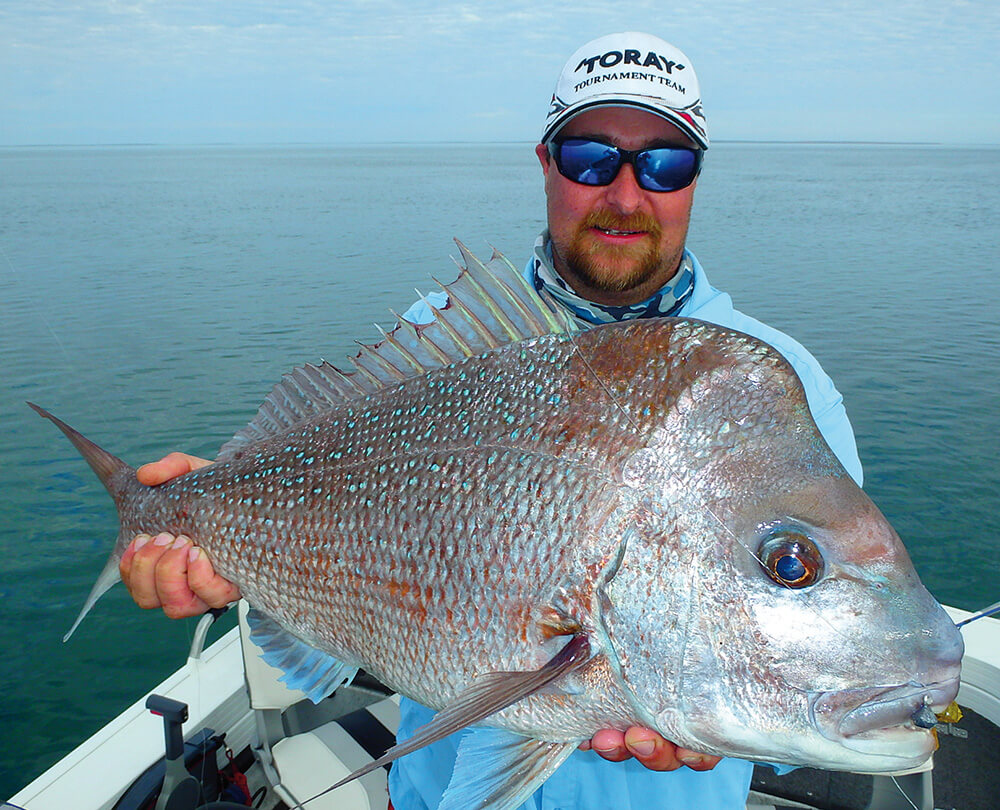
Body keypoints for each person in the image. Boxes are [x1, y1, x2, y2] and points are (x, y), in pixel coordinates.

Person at [121, 32, 862, 810]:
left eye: (665, 163)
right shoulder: (443, 344)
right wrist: (218, 520)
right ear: (546, 163)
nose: (626, 193)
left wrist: (729, 705)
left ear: (695, 180)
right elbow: (328, 505)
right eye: (590, 158)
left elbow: (809, 609)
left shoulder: (783, 386)